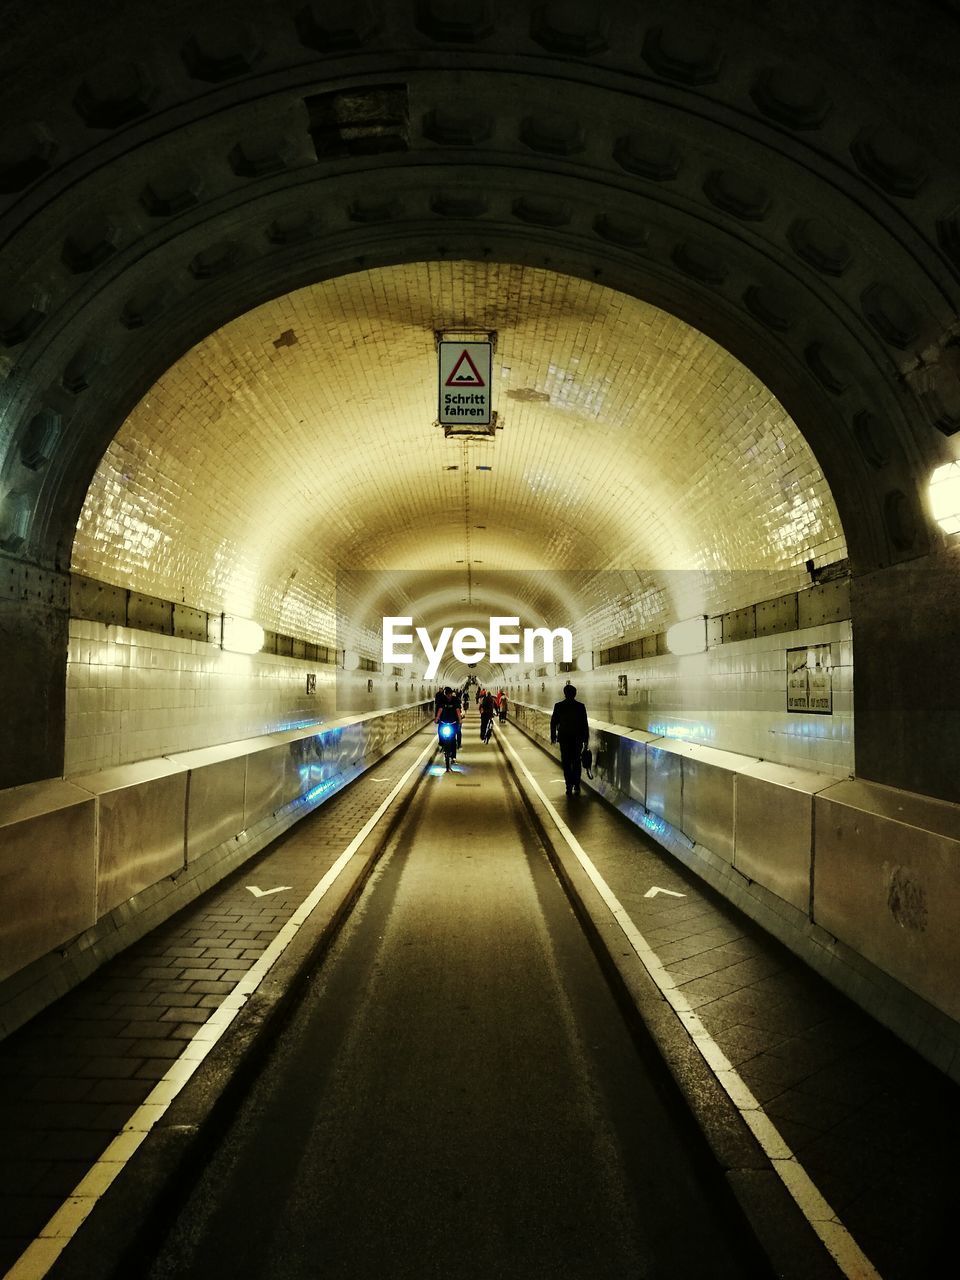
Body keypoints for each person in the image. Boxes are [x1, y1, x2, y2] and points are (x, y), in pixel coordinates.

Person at [550, 684, 589, 795]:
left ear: (565, 693)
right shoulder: (580, 706)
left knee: (566, 762)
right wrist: (585, 740)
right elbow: (584, 724)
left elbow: (553, 722)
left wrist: (553, 736)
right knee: (576, 761)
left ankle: (568, 785)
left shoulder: (559, 706)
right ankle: (576, 784)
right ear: (575, 694)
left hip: (564, 739)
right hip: (577, 739)